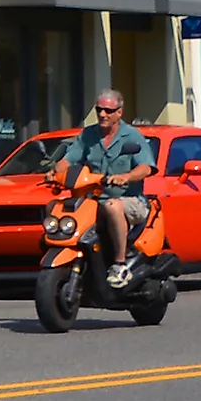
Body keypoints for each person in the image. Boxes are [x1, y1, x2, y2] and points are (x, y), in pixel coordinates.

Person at [51, 89, 154, 284]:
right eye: (99, 109)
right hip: (94, 198)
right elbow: (68, 159)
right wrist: (55, 172)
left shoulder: (132, 136)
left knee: (112, 207)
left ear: (119, 112)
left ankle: (120, 264)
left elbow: (146, 167)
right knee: (57, 207)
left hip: (129, 200)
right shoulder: (88, 135)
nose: (102, 114)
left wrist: (126, 176)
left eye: (108, 110)